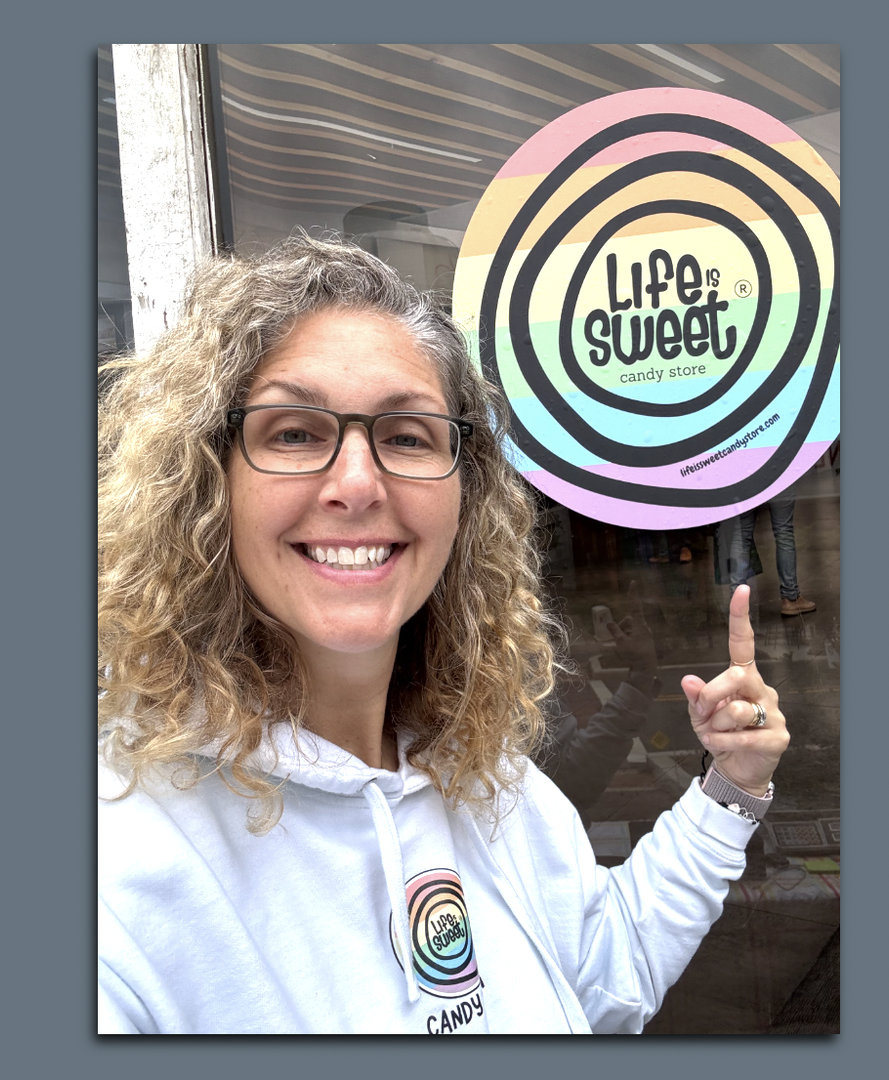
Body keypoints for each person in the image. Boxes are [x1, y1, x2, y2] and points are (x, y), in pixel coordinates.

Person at [95, 234, 790, 1034]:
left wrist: (730, 788)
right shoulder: (120, 861)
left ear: (465, 499)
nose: (357, 483)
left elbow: (608, 971)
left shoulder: (480, 776)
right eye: (293, 432)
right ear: (209, 480)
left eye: (407, 436)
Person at [736, 492, 816, 617]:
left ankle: (738, 605)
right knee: (784, 531)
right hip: (776, 477)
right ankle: (791, 598)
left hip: (746, 480)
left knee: (742, 537)